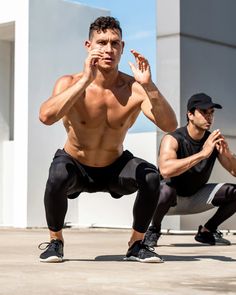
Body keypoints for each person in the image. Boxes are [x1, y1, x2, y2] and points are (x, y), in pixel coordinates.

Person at [38, 16, 177, 263]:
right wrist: (84, 79)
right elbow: (46, 117)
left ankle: (136, 244)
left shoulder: (135, 88)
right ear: (88, 46)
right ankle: (55, 241)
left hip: (115, 166)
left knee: (151, 176)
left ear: (122, 47)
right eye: (101, 42)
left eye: (115, 43)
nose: (108, 49)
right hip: (75, 164)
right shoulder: (69, 83)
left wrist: (150, 86)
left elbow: (170, 125)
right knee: (57, 175)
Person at [144, 93, 236, 247]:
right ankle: (153, 229)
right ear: (190, 115)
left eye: (211, 112)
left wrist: (229, 155)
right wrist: (202, 154)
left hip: (196, 196)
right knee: (166, 190)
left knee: (234, 192)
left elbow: (234, 172)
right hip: (168, 201)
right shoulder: (173, 138)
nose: (209, 117)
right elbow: (165, 170)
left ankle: (207, 232)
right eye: (204, 112)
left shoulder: (212, 140)